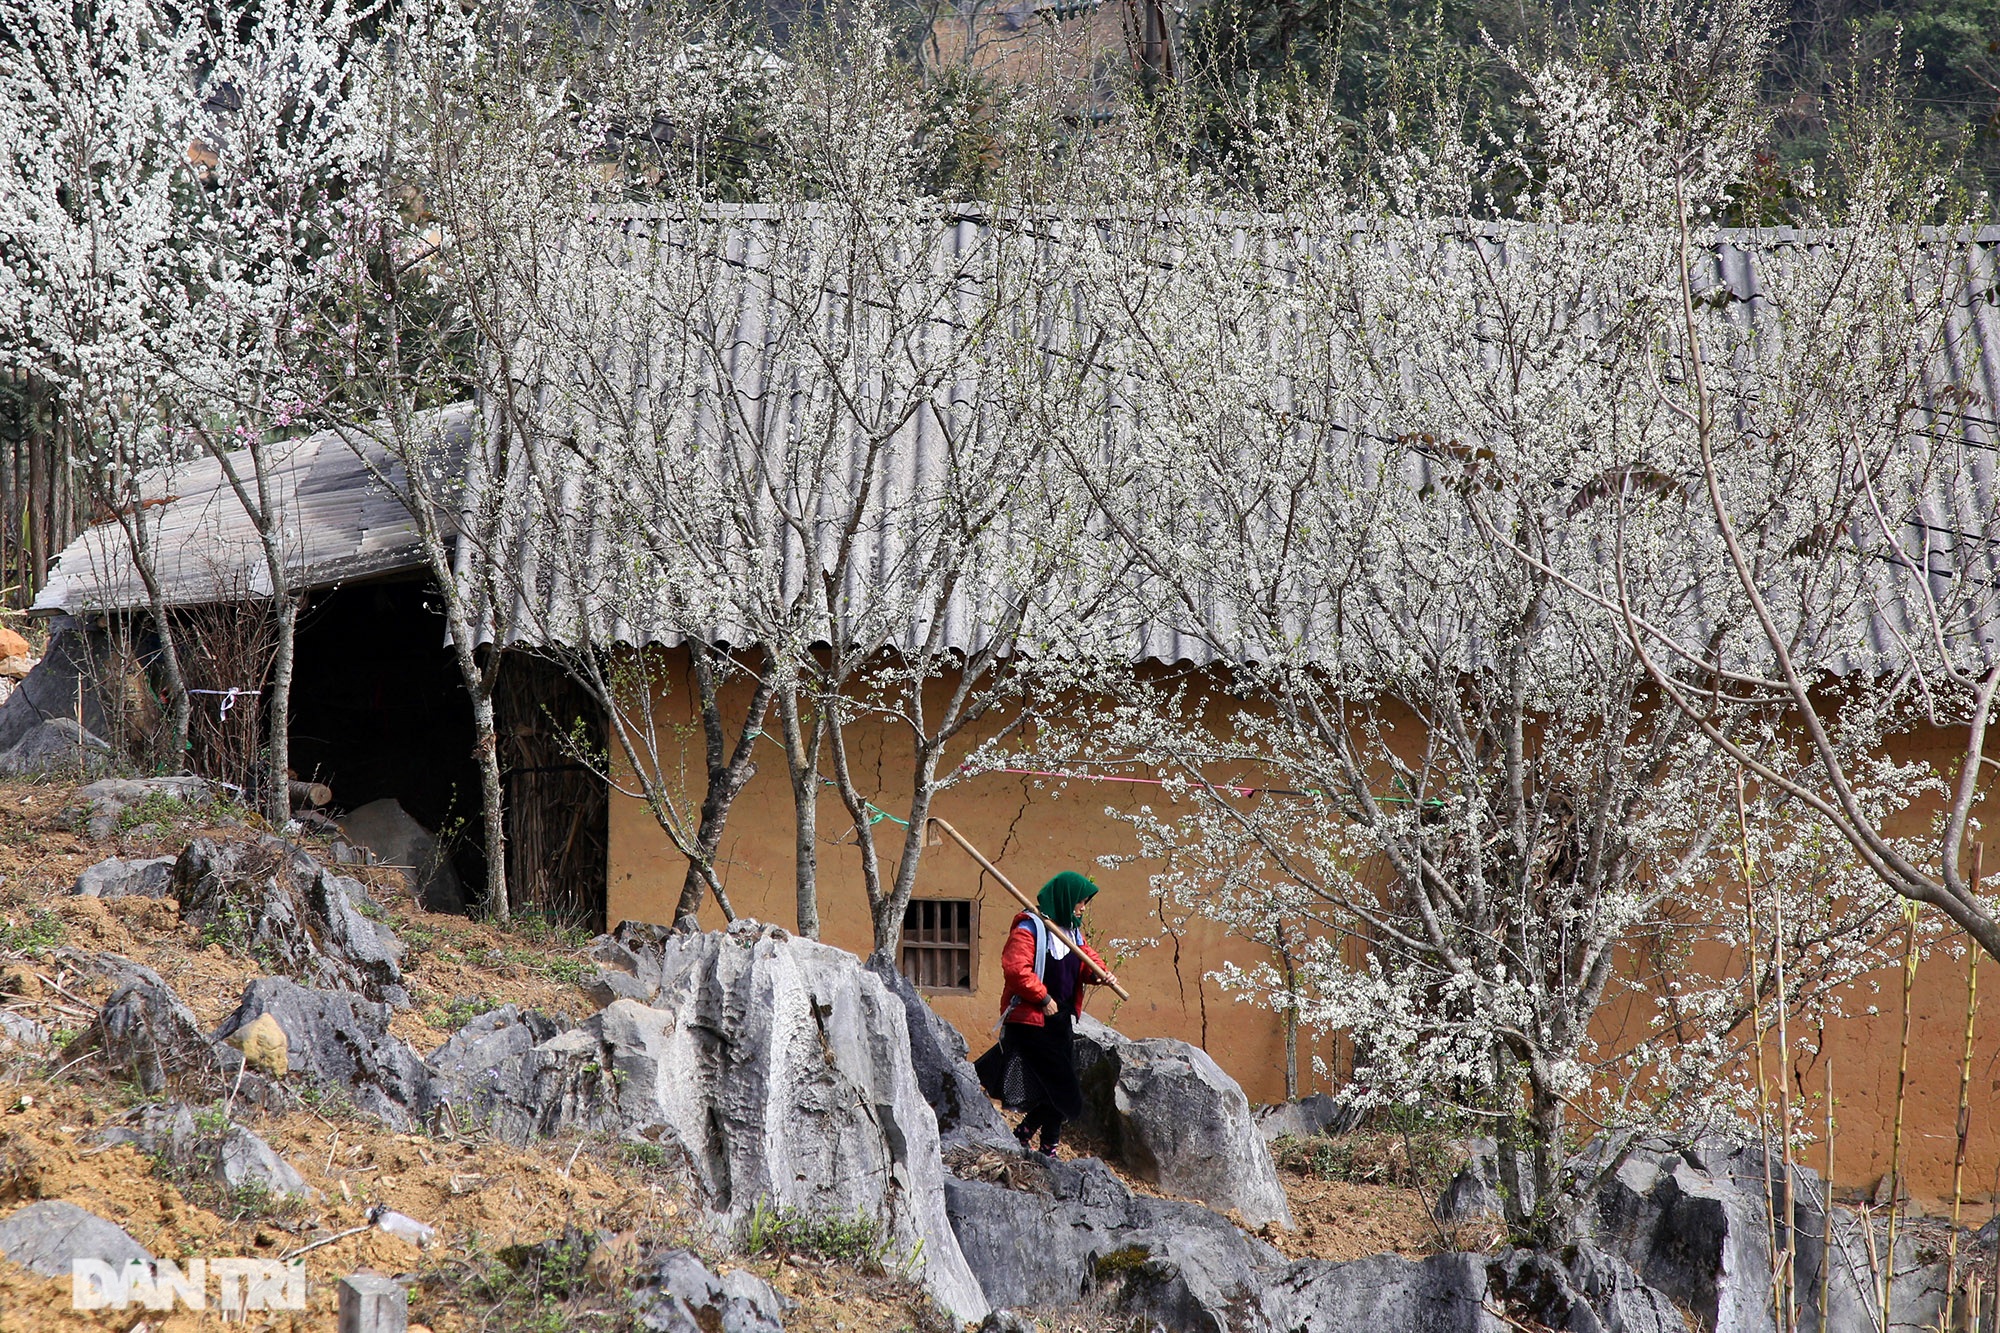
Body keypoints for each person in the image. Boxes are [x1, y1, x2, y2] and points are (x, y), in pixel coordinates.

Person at [989, 871, 1119, 1156]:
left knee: (1056, 1087)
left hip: (1060, 1019)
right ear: (1065, 899)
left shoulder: (1070, 931)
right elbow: (1016, 970)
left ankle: (1036, 1139)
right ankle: (1042, 1144)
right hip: (1032, 1020)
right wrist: (1043, 997)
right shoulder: (1030, 928)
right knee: (1064, 1089)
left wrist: (1101, 975)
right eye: (1080, 902)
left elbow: (1085, 960)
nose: (1082, 908)